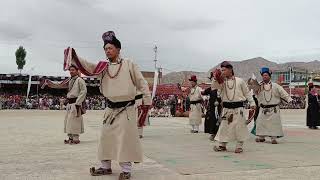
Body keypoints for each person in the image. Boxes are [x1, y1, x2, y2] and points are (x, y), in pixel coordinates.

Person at [63, 31, 151, 180]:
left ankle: (126, 170)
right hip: (110, 109)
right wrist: (75, 56)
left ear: (118, 49)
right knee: (106, 138)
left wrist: (147, 101)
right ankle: (105, 167)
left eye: (110, 48)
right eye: (105, 49)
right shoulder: (102, 67)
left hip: (126, 109)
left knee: (124, 140)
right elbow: (88, 66)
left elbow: (141, 83)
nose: (107, 51)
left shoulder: (129, 64)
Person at [211, 61, 255, 153]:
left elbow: (247, 93)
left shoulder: (240, 81)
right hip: (226, 109)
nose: (223, 72)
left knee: (239, 127)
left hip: (238, 108)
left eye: (224, 70)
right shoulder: (221, 82)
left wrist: (252, 103)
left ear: (230, 69)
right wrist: (216, 78)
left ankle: (239, 146)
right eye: (221, 70)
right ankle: (222, 145)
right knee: (224, 127)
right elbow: (214, 87)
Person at [42, 65, 87, 144]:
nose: (71, 71)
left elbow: (83, 91)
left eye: (73, 70)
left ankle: (76, 138)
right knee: (68, 121)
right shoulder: (69, 80)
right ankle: (70, 137)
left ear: (77, 71)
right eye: (70, 70)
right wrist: (49, 83)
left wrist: (78, 103)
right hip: (70, 104)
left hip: (76, 103)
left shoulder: (80, 80)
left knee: (75, 121)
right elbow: (59, 85)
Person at [255, 67, 292, 144]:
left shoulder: (276, 86)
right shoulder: (259, 86)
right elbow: (253, 93)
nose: (265, 77)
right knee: (261, 122)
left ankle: (273, 138)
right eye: (263, 75)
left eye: (266, 75)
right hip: (263, 109)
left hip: (274, 109)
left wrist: (289, 99)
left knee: (274, 124)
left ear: (269, 76)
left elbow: (283, 93)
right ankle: (261, 137)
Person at [201, 72, 222, 140]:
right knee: (212, 119)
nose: (213, 80)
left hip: (220, 105)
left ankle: (218, 134)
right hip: (213, 107)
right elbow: (204, 92)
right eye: (213, 78)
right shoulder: (211, 88)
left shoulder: (222, 86)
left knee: (220, 119)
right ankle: (213, 133)